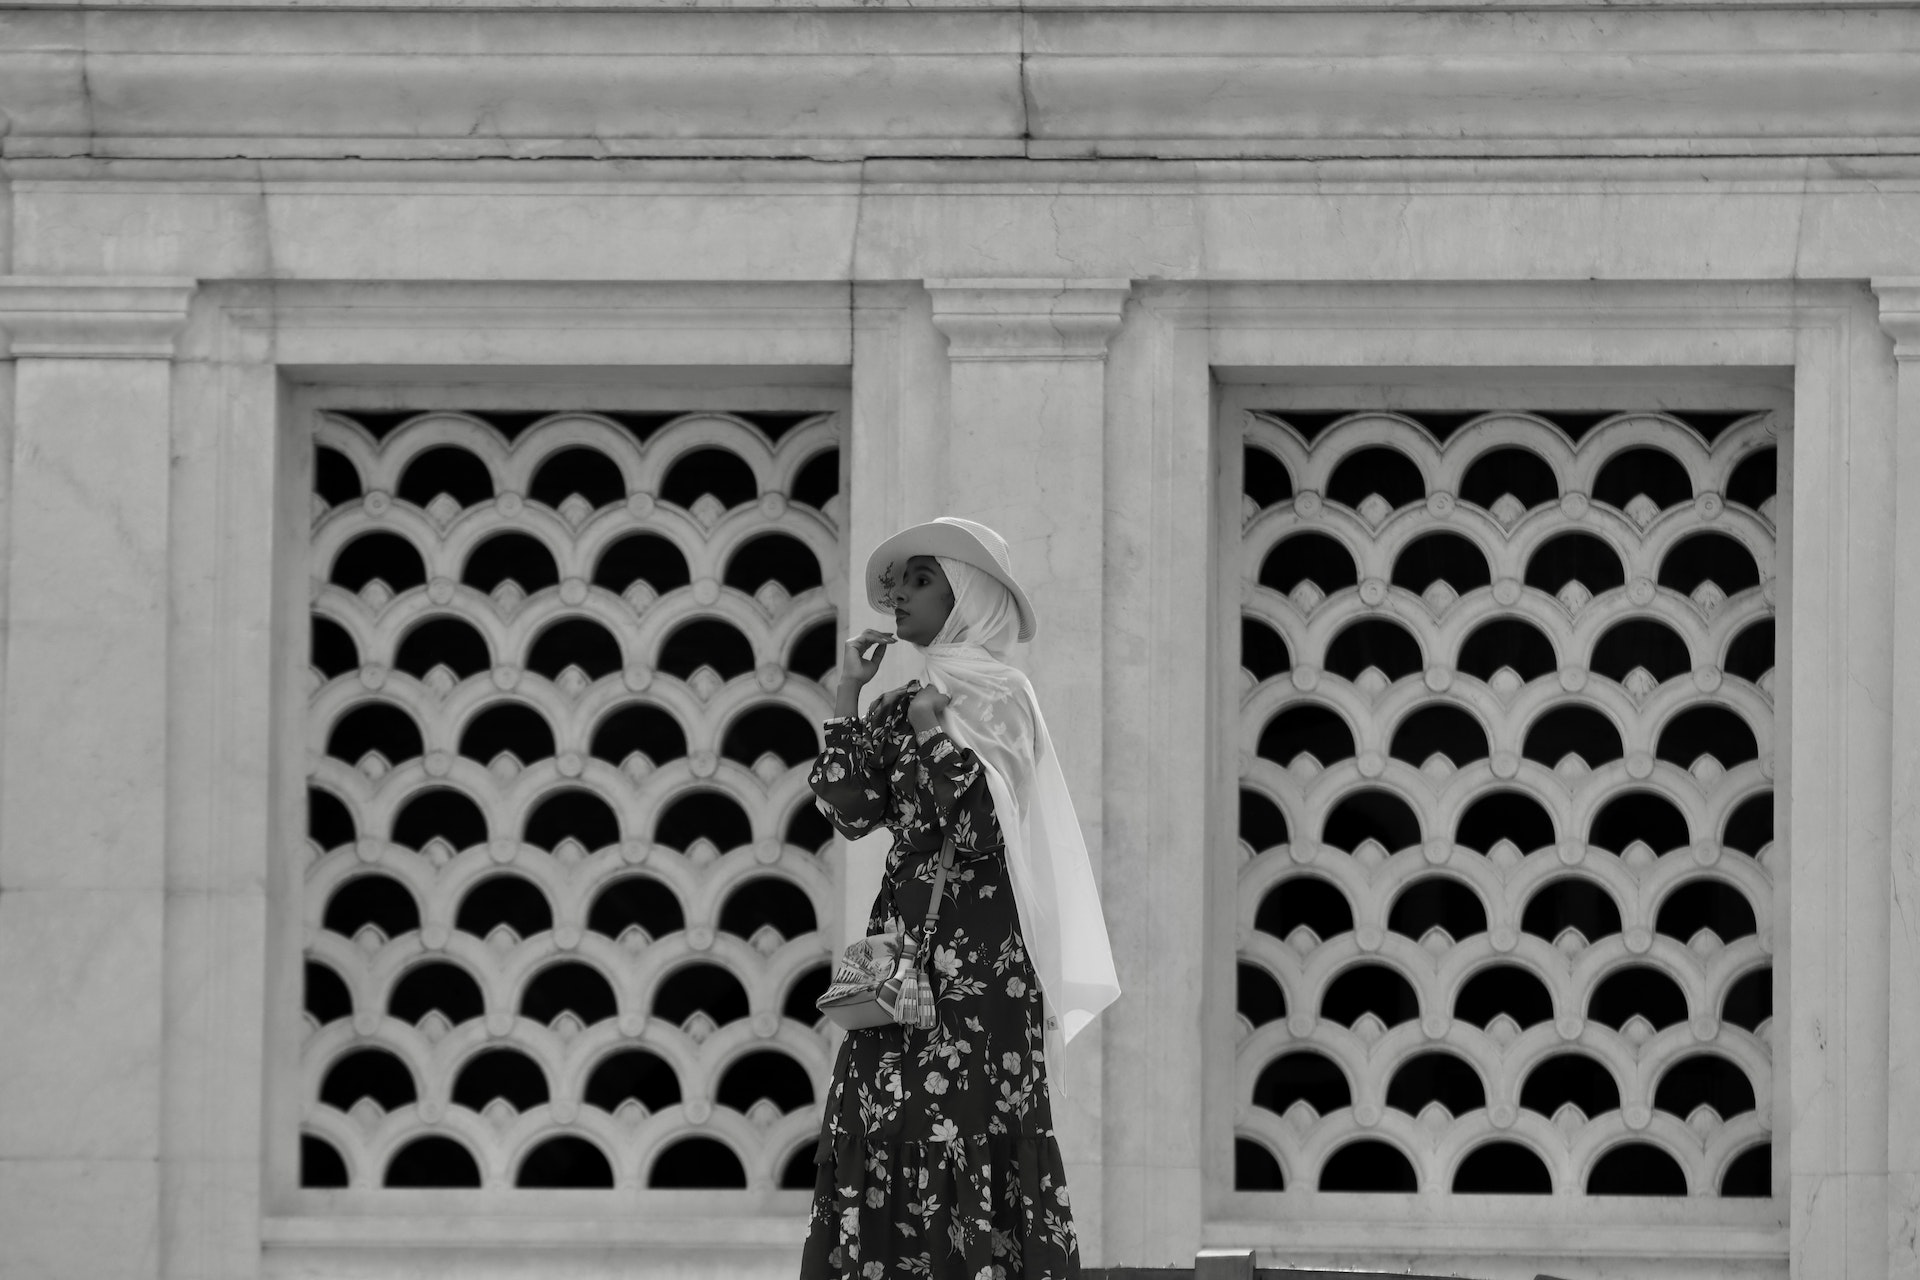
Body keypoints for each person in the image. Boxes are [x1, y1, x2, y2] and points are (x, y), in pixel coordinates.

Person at [798, 516, 1121, 1280]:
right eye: (899, 582)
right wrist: (848, 693)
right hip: (904, 959)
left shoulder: (1003, 695)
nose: (899, 596)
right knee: (881, 1122)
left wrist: (935, 738)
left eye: (921, 581)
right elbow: (851, 813)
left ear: (965, 596)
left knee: (968, 1126)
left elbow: (981, 829)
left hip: (982, 960)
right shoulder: (901, 700)